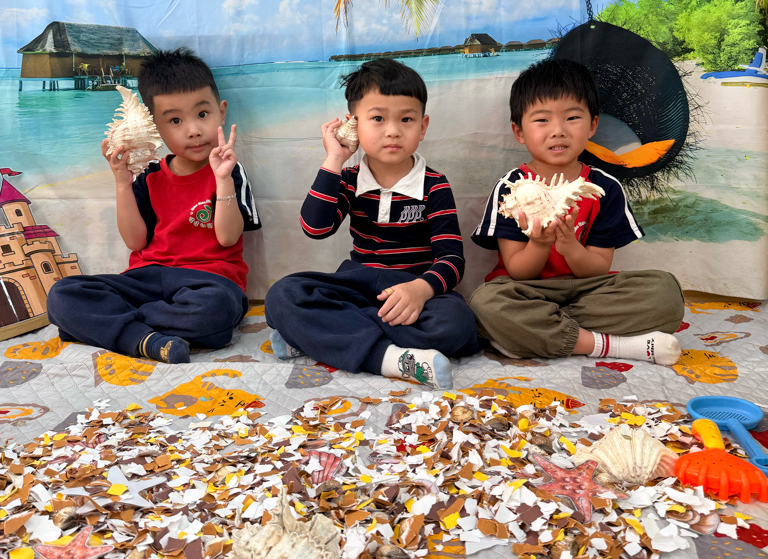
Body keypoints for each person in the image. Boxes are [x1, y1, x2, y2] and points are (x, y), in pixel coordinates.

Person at [264, 58, 479, 388]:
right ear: (354, 123)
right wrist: (334, 159)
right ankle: (391, 359)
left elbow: (451, 259)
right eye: (378, 118)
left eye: (406, 119)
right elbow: (315, 228)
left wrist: (421, 289)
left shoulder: (434, 185)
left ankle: (321, 337)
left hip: (412, 289)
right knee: (282, 295)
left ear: (422, 127)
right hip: (359, 284)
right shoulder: (349, 179)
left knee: (458, 323)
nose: (393, 130)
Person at [47, 47, 260, 363]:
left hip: (209, 281)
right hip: (146, 278)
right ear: (156, 128)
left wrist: (223, 179)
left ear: (222, 112)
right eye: (175, 120)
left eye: (203, 114)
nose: (193, 130)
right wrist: (123, 182)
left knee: (215, 311)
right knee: (62, 295)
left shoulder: (230, 171)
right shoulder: (148, 177)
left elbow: (228, 238)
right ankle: (146, 339)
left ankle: (116, 324)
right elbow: (136, 242)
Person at [470, 58, 684, 365]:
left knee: (665, 292)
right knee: (486, 302)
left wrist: (569, 247)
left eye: (572, 118)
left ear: (592, 125)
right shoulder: (511, 188)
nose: (558, 131)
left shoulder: (604, 188)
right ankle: (609, 345)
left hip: (587, 290)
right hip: (524, 290)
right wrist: (540, 244)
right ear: (519, 131)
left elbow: (598, 269)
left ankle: (532, 334)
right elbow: (517, 270)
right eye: (542, 120)